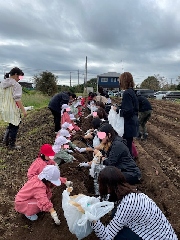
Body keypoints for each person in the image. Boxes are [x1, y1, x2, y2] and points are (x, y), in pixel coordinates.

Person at [91, 166, 178, 240]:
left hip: (157, 237)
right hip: (158, 231)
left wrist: (92, 219)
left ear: (108, 186)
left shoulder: (127, 204)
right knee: (115, 214)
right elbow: (109, 197)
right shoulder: (129, 192)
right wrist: (92, 201)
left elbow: (107, 237)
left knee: (118, 236)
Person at [0, 67, 27, 149]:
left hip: (4, 108)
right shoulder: (16, 85)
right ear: (16, 74)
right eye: (20, 77)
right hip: (13, 109)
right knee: (15, 125)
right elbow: (17, 99)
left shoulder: (2, 83)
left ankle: (6, 140)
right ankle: (12, 145)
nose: (20, 79)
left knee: (10, 124)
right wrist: (23, 110)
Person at [114, 72, 139, 157]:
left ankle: (129, 167)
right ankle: (130, 164)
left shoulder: (127, 93)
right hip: (133, 123)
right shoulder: (132, 92)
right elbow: (130, 107)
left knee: (127, 148)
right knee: (128, 146)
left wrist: (117, 110)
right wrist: (120, 107)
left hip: (129, 124)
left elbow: (128, 111)